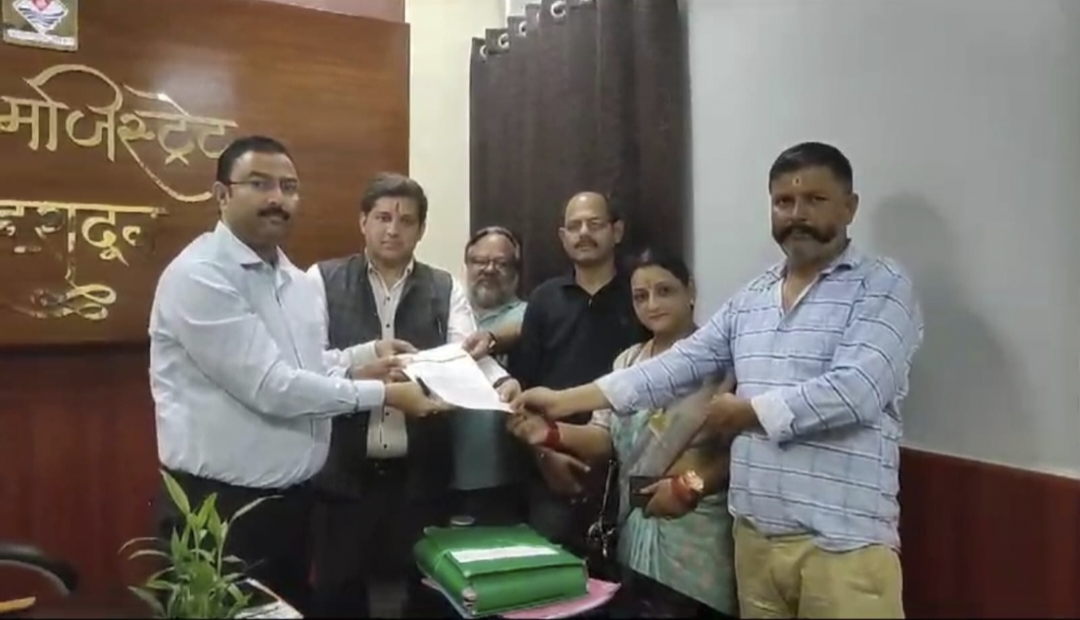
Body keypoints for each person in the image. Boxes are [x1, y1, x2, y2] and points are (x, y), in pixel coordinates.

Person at [513, 142, 924, 619]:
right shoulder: (754, 296)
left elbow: (856, 392)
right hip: (755, 540)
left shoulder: (881, 286)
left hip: (841, 544)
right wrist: (563, 401)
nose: (797, 214)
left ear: (849, 207)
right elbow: (677, 365)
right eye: (784, 202)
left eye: (815, 200)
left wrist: (747, 414)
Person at [148, 136, 446, 615]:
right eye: (260, 184)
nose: (277, 199)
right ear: (222, 194)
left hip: (292, 508)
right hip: (220, 512)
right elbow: (272, 388)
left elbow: (303, 366)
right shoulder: (200, 276)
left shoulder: (292, 278)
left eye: (288, 187)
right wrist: (384, 394)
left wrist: (363, 357)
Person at [305, 173, 519, 618]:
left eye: (406, 221)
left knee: (424, 598)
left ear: (421, 229)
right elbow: (306, 365)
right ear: (363, 222)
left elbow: (466, 354)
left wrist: (501, 383)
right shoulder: (321, 280)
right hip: (342, 475)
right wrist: (362, 366)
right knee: (337, 597)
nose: (393, 229)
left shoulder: (444, 287)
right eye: (382, 217)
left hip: (420, 476)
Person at [506, 248, 737, 617]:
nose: (652, 304)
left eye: (665, 291)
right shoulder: (627, 362)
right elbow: (604, 439)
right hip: (636, 526)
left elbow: (739, 453)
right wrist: (547, 433)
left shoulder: (724, 364)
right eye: (640, 296)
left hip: (697, 533)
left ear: (690, 290)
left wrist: (691, 485)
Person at [507, 191, 648, 556]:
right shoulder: (544, 299)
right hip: (552, 471)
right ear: (562, 236)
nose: (584, 233)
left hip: (627, 469)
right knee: (550, 577)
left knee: (622, 580)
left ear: (617, 231)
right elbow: (522, 391)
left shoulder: (641, 296)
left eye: (594, 224)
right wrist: (544, 455)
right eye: (574, 226)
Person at [452, 226, 530, 525]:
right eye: (480, 261)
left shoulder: (529, 315)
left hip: (502, 475)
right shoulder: (450, 314)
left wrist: (492, 339)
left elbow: (522, 330)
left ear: (516, 272)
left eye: (500, 263)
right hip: (438, 469)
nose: (488, 269)